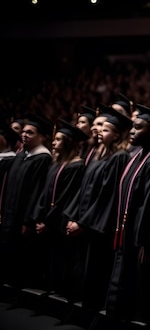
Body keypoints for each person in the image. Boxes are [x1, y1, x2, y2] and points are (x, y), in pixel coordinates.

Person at [105, 103, 150, 326]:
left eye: (138, 127)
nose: (132, 131)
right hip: (127, 232)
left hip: (140, 236)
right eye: (132, 127)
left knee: (137, 288)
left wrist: (146, 239)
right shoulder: (137, 157)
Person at [63, 106, 132, 310]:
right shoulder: (97, 155)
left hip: (97, 226)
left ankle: (90, 311)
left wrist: (83, 223)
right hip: (84, 221)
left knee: (95, 271)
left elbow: (107, 196)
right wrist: (73, 217)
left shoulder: (119, 157)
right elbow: (83, 189)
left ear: (117, 134)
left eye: (106, 129)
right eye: (101, 128)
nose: (100, 131)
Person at [27, 118, 88, 294]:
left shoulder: (76, 165)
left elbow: (64, 198)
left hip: (58, 222)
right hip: (47, 220)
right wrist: (38, 218)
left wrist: (48, 221)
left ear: (69, 142)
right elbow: (44, 193)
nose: (54, 142)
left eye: (59, 139)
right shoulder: (55, 163)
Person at [0, 113, 53, 288]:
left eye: (30, 132)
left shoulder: (43, 159)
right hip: (10, 214)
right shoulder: (21, 155)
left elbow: (37, 192)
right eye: (23, 132)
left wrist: (29, 221)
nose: (24, 135)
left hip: (24, 217)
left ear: (42, 136)